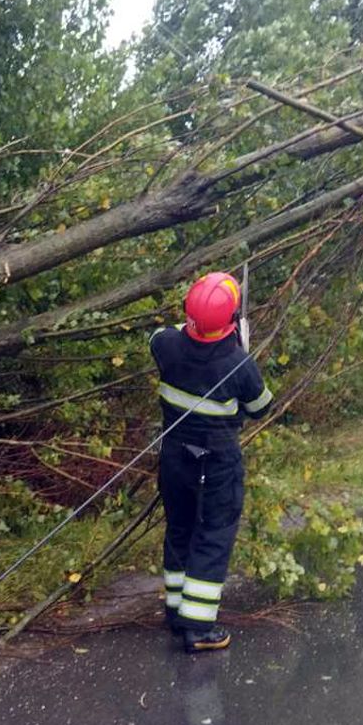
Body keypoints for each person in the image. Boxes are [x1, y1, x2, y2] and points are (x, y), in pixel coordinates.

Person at [151, 272, 272, 653]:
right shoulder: (239, 364)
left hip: (174, 458)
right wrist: (238, 347)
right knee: (213, 535)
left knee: (180, 529)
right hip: (216, 463)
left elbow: (164, 334)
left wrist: (204, 330)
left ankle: (176, 612)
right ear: (231, 321)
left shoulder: (165, 345)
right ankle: (198, 628)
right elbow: (261, 406)